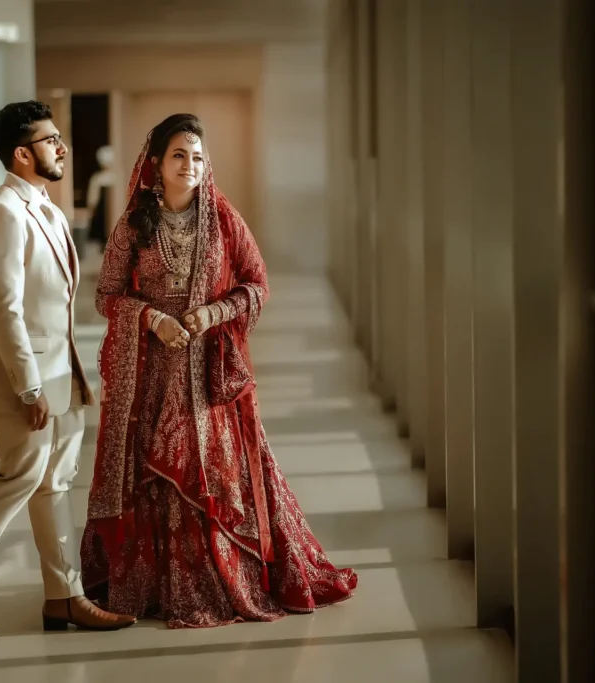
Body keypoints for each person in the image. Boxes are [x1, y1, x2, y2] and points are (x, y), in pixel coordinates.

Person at [81, 113, 358, 628]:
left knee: (214, 471)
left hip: (210, 375)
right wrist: (153, 319)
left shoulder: (224, 220)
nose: (190, 165)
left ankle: (223, 577)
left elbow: (256, 284)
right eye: (179, 155)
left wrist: (212, 314)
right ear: (156, 164)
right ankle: (157, 586)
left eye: (198, 157)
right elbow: (106, 295)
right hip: (153, 374)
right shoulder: (134, 225)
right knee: (157, 471)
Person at [0, 100, 136, 635]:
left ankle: (65, 597)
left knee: (55, 481)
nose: (62, 147)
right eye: (50, 139)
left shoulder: (48, 209)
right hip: (24, 376)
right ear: (21, 153)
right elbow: (3, 309)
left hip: (61, 368)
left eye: (59, 138)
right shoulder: (2, 212)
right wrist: (29, 386)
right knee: (20, 475)